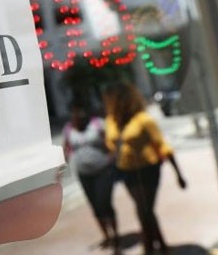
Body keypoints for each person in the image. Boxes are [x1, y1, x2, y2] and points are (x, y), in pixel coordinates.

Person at [102, 81, 187, 255]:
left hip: (148, 168)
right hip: (126, 170)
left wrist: (178, 174)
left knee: (143, 209)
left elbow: (163, 146)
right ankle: (162, 245)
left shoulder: (144, 119)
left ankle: (148, 248)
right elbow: (110, 144)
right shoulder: (111, 121)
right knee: (145, 208)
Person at [62, 100, 120, 252]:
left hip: (103, 171)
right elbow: (66, 148)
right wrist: (60, 168)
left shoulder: (97, 124)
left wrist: (113, 157)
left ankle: (116, 236)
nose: (78, 115)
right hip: (84, 175)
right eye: (74, 112)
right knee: (95, 206)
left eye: (80, 111)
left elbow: (111, 141)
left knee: (104, 203)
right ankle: (107, 236)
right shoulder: (68, 129)